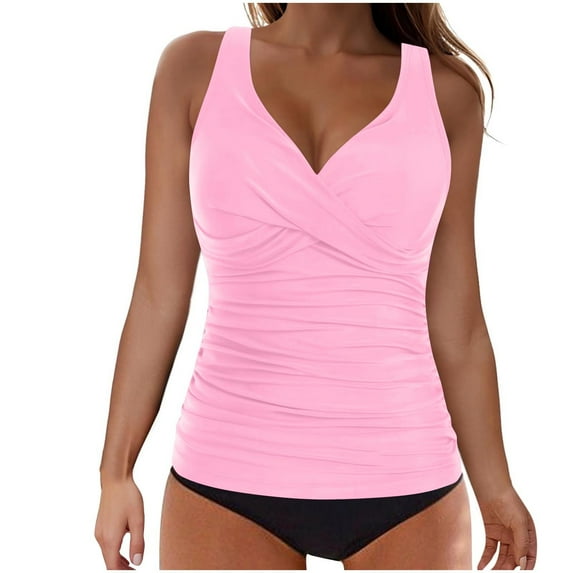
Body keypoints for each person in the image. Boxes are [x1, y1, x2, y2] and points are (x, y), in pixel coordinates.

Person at [95, 3, 538, 570]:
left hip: (406, 477)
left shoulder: (448, 92)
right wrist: (115, 471)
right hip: (225, 472)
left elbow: (459, 324)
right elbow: (157, 294)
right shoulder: (193, 68)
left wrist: (496, 486)